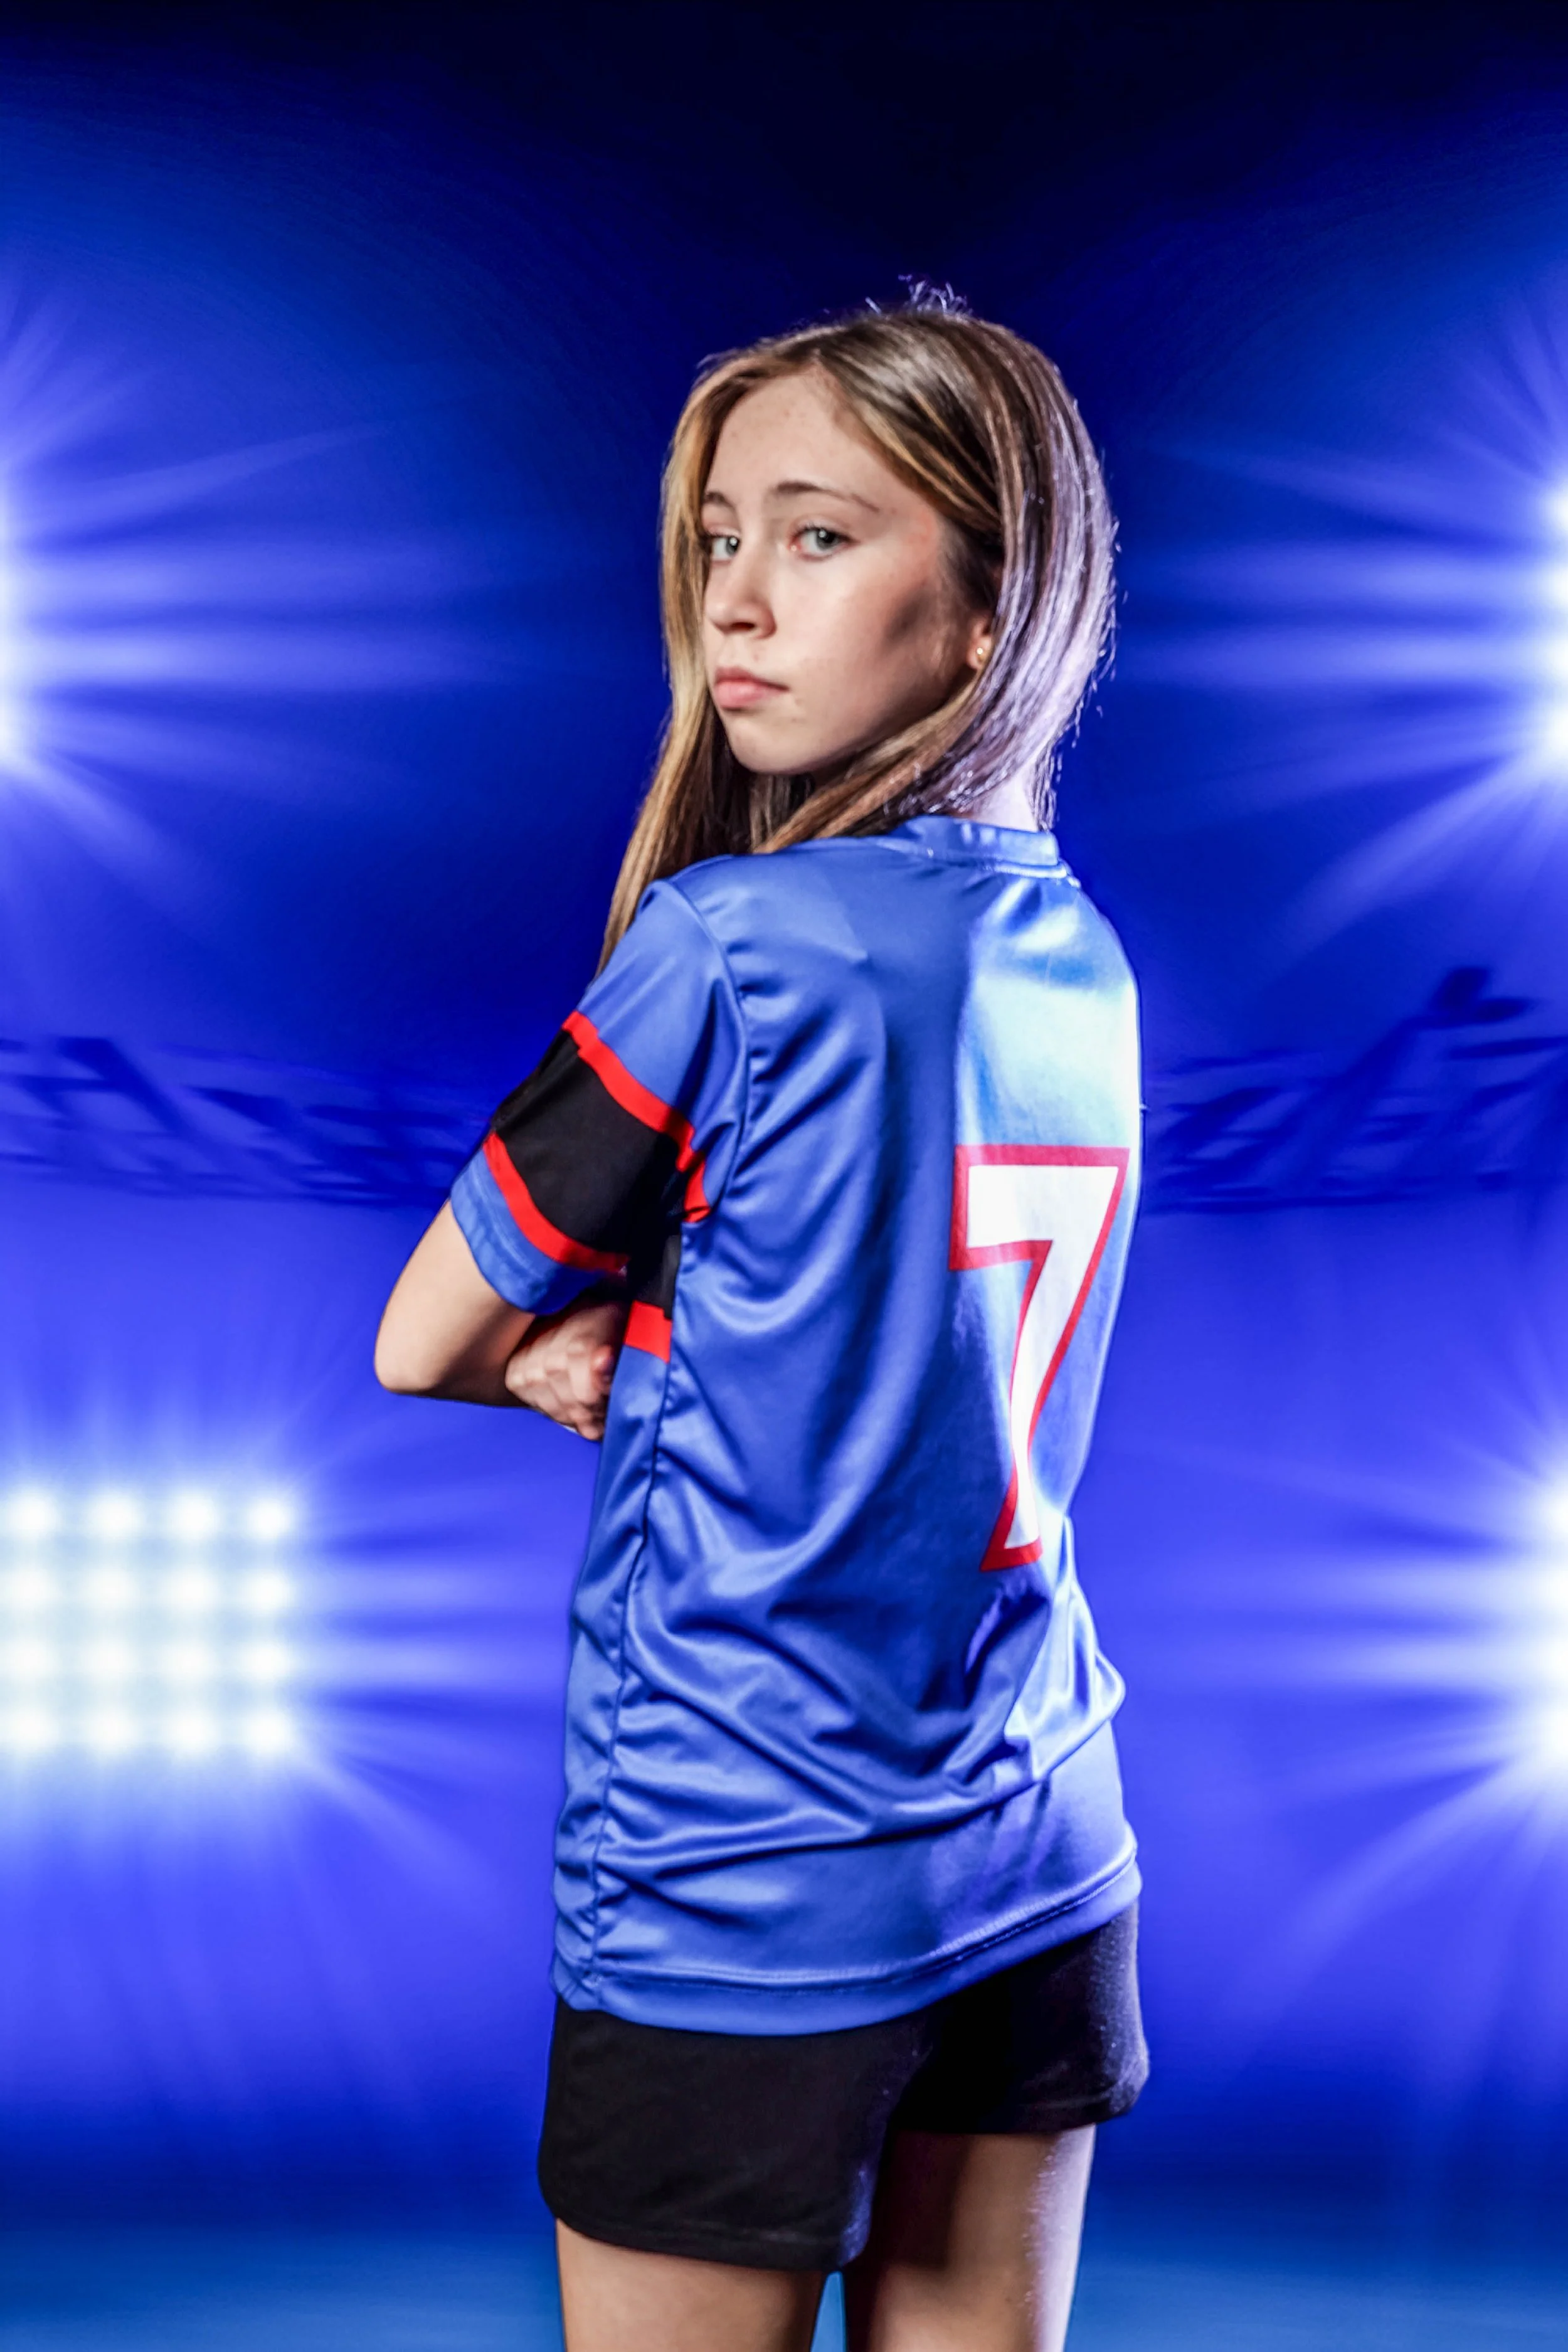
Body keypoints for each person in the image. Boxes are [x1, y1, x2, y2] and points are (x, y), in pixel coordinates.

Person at [376, 298, 1147, 2352]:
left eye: (818, 537)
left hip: (741, 1880)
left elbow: (425, 1334)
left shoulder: (725, 943)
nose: (736, 598)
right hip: (1037, 1836)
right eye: (721, 536)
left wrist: (593, 1359)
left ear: (992, 612)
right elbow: (882, 1356)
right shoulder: (1085, 959)